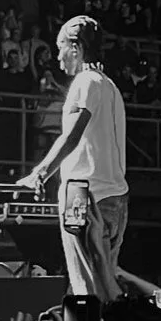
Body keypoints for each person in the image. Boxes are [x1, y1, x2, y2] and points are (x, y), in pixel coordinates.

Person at [19, 15, 128, 296]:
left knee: (86, 292)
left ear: (76, 48)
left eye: (61, 47)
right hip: (114, 199)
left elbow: (71, 136)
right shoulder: (109, 86)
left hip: (87, 198)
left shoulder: (86, 82)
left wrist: (39, 173)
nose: (57, 57)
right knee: (104, 288)